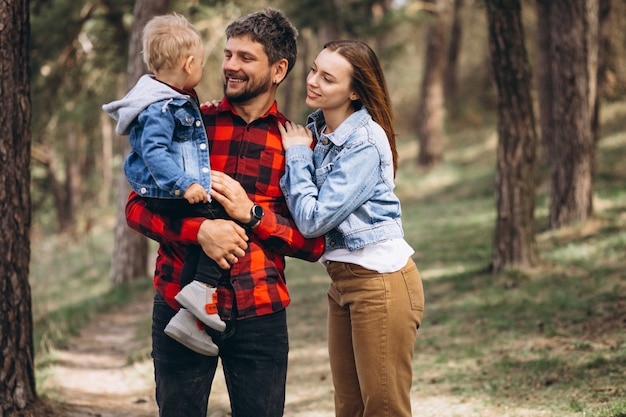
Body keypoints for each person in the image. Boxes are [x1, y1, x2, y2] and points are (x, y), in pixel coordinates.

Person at [124, 8, 325, 417]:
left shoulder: (298, 146)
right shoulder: (188, 124)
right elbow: (136, 208)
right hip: (178, 304)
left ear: (278, 69)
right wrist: (198, 232)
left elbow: (314, 243)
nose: (230, 66)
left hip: (259, 313)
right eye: (228, 54)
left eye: (245, 58)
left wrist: (253, 215)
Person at [278, 40, 425, 417]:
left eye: (328, 78)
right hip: (342, 282)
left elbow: (312, 220)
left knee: (384, 409)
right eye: (314, 70)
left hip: (380, 283)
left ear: (355, 90)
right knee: (350, 407)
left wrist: (296, 155)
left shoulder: (364, 141)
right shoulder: (320, 135)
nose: (313, 81)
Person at [103, 13, 229, 357]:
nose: (204, 69)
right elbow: (154, 151)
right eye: (202, 63)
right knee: (221, 220)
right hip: (167, 190)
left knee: (204, 236)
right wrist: (184, 183)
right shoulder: (161, 105)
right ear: (189, 64)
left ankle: (191, 312)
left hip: (166, 188)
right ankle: (198, 295)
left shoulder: (166, 96)